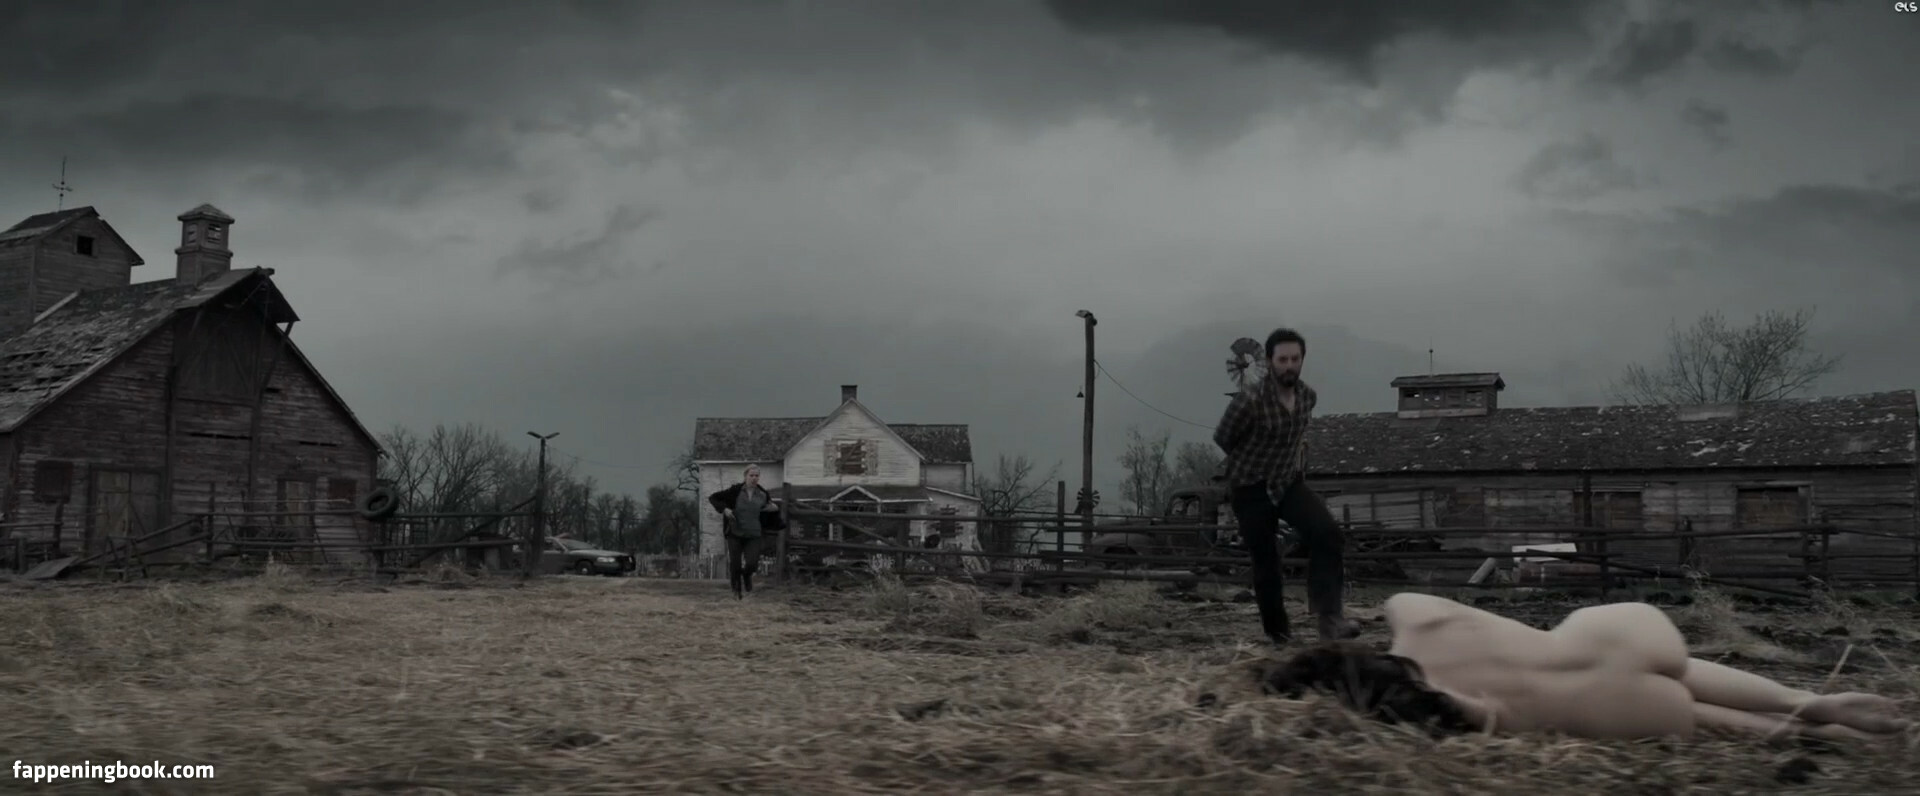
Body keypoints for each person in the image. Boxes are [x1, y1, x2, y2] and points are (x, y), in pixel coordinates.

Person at [1260, 592, 1911, 743]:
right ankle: (1809, 700)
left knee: (1700, 714)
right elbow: (1399, 601)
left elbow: (1487, 715)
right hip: (1613, 635)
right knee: (1686, 671)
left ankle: (1814, 731)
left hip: (1613, 710)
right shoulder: (1415, 616)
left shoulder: (1436, 707)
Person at [1214, 327, 1356, 644]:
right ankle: (1278, 635)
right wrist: (1253, 459)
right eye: (1282, 360)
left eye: (1295, 359)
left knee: (1328, 533)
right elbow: (1223, 437)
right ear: (1269, 361)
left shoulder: (1307, 398)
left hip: (1286, 482)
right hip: (1249, 487)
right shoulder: (1249, 401)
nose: (1289, 365)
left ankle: (1330, 619)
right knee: (1266, 560)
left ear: (1302, 360)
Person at [706, 464, 783, 599]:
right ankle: (736, 590)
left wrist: (773, 509)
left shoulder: (762, 494)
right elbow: (713, 498)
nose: (754, 478)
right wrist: (724, 509)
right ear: (745, 476)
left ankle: (747, 575)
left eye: (756, 476)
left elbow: (770, 508)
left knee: (752, 563)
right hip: (735, 533)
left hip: (753, 534)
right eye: (751, 475)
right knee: (735, 563)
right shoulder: (735, 491)